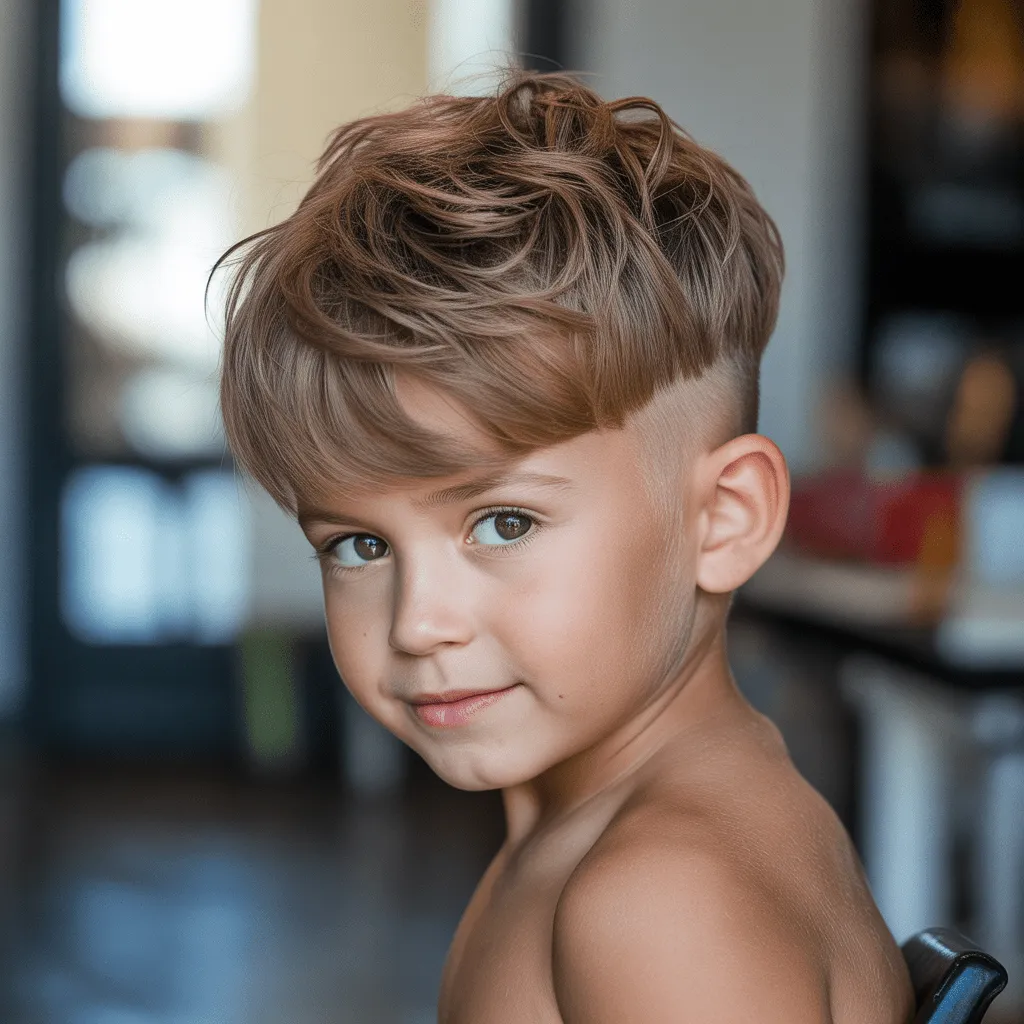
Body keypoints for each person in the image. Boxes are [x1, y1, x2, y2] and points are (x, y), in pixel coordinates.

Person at [215, 69, 914, 1023]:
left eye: (504, 523)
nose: (419, 624)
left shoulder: (659, 899)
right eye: (358, 546)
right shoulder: (617, 826)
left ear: (725, 519)